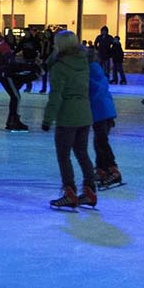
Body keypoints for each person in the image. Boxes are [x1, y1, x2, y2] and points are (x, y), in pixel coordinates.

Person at [41, 30, 99, 210]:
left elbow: (56, 95)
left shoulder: (60, 67)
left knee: (63, 156)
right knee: (82, 153)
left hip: (67, 116)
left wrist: (47, 119)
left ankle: (69, 192)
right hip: (84, 114)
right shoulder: (83, 62)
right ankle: (90, 191)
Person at [88, 46, 123, 189]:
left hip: (100, 112)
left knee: (101, 142)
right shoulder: (97, 69)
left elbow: (94, 90)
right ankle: (102, 169)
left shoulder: (91, 71)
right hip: (104, 112)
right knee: (99, 141)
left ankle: (112, 169)